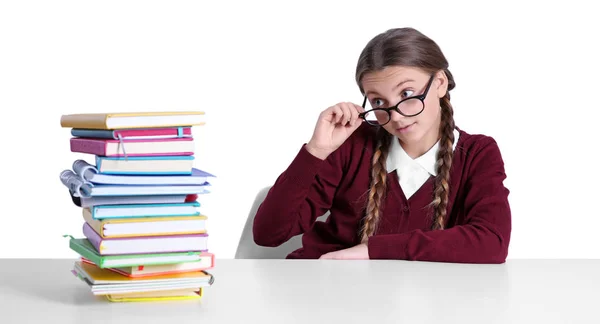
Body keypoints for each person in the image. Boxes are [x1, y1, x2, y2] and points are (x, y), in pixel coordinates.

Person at [252, 27, 511, 263]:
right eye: (378, 102)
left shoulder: (477, 153)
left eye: (406, 94)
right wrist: (316, 151)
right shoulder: (351, 144)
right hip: (325, 293)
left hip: (420, 305)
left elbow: (491, 242)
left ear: (440, 83)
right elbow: (268, 234)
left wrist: (372, 250)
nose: (395, 116)